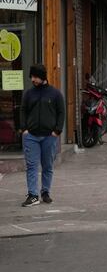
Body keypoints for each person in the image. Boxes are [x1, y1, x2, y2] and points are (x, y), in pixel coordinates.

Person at [19, 64, 65, 207]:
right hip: (31, 136)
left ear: (42, 77)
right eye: (31, 77)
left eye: (35, 77)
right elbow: (23, 111)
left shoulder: (55, 94)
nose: (32, 79)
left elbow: (61, 112)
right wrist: (24, 129)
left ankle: (45, 192)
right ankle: (33, 195)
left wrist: (57, 131)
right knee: (31, 166)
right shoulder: (29, 94)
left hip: (49, 137)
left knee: (47, 166)